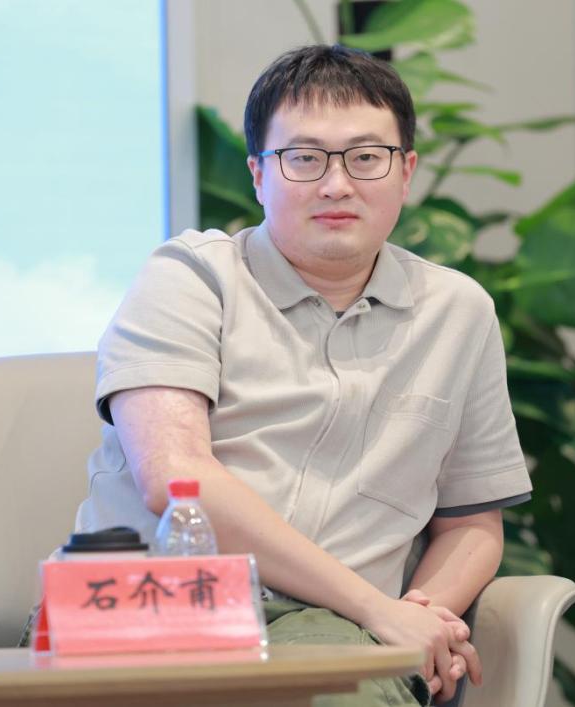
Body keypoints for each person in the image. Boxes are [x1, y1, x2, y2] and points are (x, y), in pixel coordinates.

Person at [76, 44, 532, 706]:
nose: (337, 184)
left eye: (367, 157)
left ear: (406, 172)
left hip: (336, 635)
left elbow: (470, 522)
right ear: (258, 173)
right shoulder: (191, 278)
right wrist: (378, 608)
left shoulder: (458, 311)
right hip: (157, 611)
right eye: (305, 158)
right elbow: (174, 478)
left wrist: (418, 619)